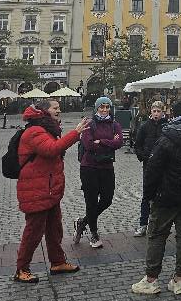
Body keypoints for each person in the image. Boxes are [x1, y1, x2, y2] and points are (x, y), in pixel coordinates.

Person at [131, 98, 181, 297]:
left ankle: (151, 279)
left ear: (173, 113)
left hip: (165, 196)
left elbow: (153, 170)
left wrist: (148, 196)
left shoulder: (166, 138)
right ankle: (179, 279)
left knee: (157, 234)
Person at [14, 101, 90, 283]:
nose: (59, 110)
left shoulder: (47, 129)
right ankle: (21, 269)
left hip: (48, 190)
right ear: (43, 111)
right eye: (55, 108)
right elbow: (51, 149)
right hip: (36, 191)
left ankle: (57, 262)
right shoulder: (35, 131)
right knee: (33, 232)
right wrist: (76, 133)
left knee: (54, 228)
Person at [74, 96, 123, 249]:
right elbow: (88, 144)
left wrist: (101, 142)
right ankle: (94, 234)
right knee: (91, 201)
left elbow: (119, 143)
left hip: (107, 167)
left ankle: (83, 221)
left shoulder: (115, 124)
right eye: (101, 107)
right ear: (96, 108)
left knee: (107, 199)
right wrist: (110, 143)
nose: (104, 110)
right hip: (89, 167)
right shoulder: (89, 124)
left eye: (107, 107)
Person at [133, 100, 169, 236]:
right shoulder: (144, 126)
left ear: (162, 112)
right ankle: (143, 224)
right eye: (154, 111)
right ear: (151, 112)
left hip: (162, 165)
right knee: (147, 194)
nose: (156, 114)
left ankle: (160, 224)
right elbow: (137, 144)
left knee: (162, 192)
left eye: (158, 111)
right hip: (148, 165)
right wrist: (143, 156)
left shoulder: (166, 126)